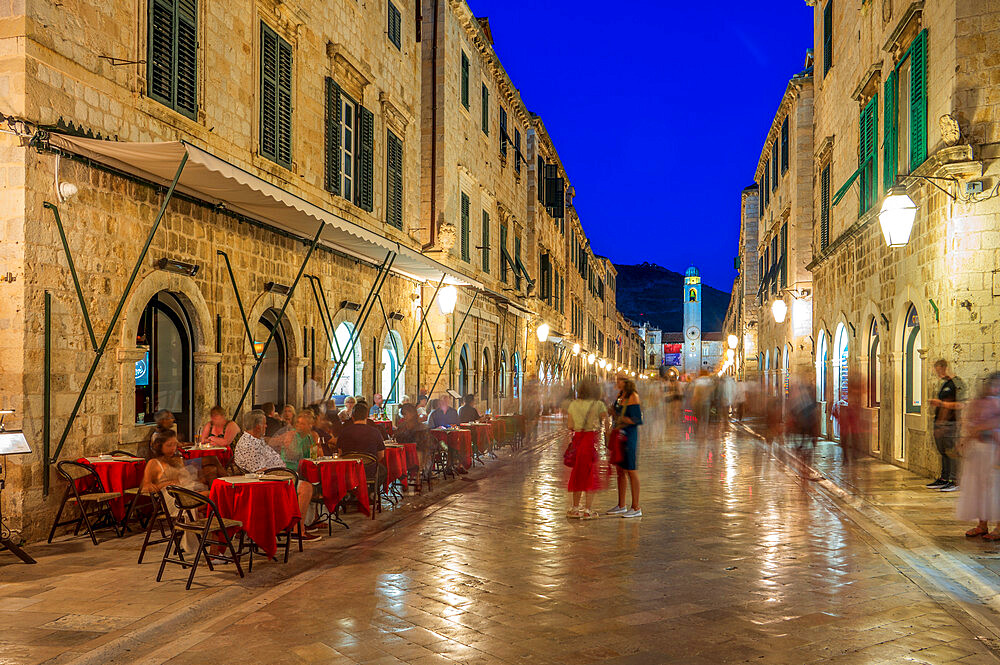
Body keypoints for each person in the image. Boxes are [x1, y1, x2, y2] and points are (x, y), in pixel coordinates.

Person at [235, 410, 321, 541]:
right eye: (264, 424)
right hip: (268, 483)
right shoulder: (249, 444)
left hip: (279, 475)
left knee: (309, 481)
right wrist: (284, 474)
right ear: (257, 426)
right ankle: (298, 531)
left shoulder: (257, 440)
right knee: (306, 488)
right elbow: (260, 472)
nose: (266, 426)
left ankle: (299, 524)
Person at [956, 373, 1000, 539]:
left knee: (994, 487)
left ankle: (999, 527)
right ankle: (982, 524)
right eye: (993, 384)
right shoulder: (980, 402)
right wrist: (967, 437)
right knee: (979, 487)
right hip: (978, 450)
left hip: (994, 449)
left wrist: (982, 427)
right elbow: (970, 422)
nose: (995, 388)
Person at [566, 379, 606, 519]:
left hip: (577, 441)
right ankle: (588, 510)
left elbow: (570, 425)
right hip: (589, 442)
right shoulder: (598, 404)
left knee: (577, 475)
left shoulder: (573, 404)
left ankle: (575, 509)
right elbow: (605, 421)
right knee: (590, 475)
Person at [608, 376, 643, 518]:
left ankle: (636, 507)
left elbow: (636, 419)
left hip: (629, 435)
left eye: (619, 380)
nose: (617, 382)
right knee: (620, 470)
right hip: (619, 434)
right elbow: (616, 412)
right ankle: (621, 505)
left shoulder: (633, 397)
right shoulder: (620, 395)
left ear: (626, 382)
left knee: (631, 470)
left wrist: (621, 417)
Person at [928, 359, 963, 491]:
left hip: (950, 423)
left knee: (951, 452)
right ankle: (945, 478)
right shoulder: (945, 383)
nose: (937, 373)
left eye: (938, 370)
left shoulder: (956, 383)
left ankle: (955, 481)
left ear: (944, 368)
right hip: (941, 423)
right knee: (943, 452)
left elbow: (960, 404)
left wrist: (940, 404)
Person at [395, 403, 438, 484]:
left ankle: (418, 475)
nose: (405, 416)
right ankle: (403, 477)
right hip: (404, 451)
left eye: (406, 414)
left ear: (412, 414)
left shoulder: (421, 427)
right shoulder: (402, 426)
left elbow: (425, 445)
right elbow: (398, 439)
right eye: (403, 414)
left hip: (417, 452)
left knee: (419, 452)